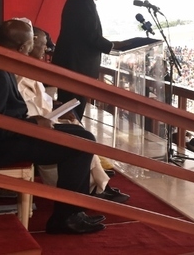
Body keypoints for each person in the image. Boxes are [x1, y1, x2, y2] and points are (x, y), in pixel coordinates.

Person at [0, 19, 105, 234]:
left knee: (82, 136)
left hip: (12, 135)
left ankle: (72, 212)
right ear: (22, 47)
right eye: (32, 44)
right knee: (81, 145)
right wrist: (32, 123)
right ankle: (65, 218)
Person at [17, 27, 129, 203]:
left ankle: (98, 186)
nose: (46, 50)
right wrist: (53, 115)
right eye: (43, 45)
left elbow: (38, 100)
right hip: (31, 129)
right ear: (29, 45)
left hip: (40, 120)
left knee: (76, 125)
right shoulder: (19, 75)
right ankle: (92, 189)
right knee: (81, 138)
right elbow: (27, 110)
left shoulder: (28, 69)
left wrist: (55, 106)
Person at [52, 0, 124, 121]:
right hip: (76, 65)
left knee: (71, 108)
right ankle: (70, 138)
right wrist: (111, 47)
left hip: (75, 64)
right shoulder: (82, 0)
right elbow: (89, 33)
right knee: (72, 109)